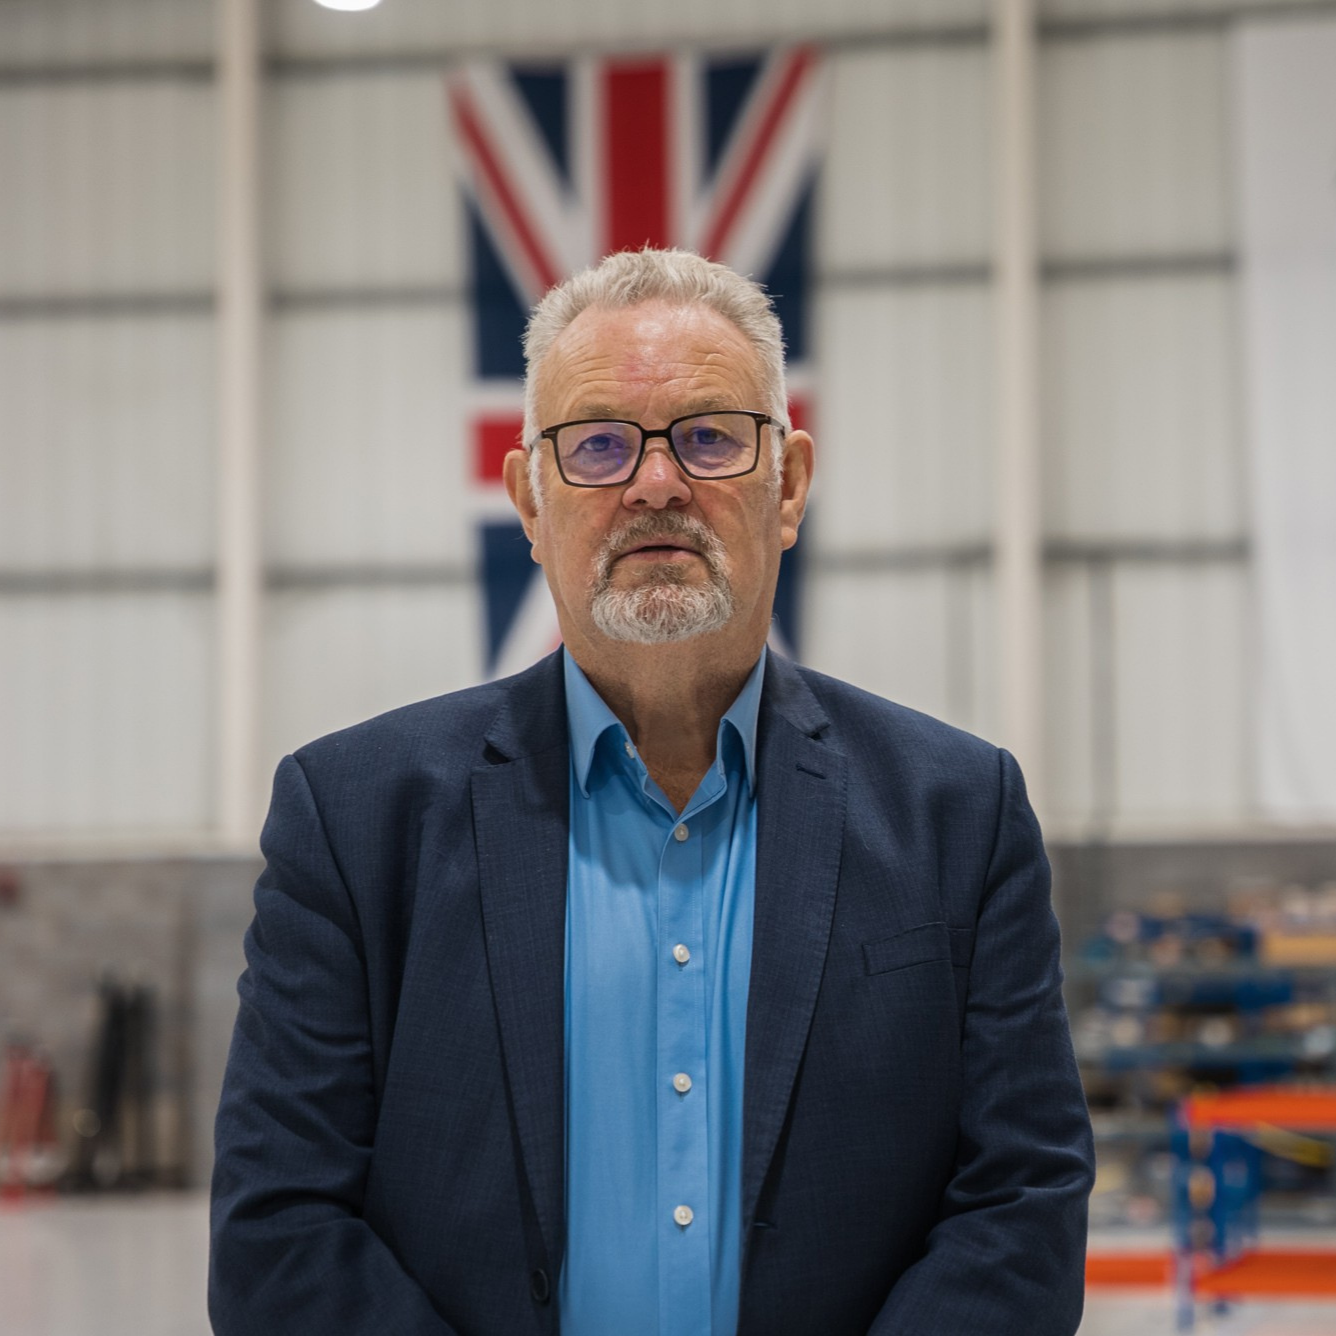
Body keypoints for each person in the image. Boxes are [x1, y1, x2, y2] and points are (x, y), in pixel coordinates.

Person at [210, 248, 1094, 1336]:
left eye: (713, 436)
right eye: (597, 445)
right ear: (531, 499)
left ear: (791, 486)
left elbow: (1022, 1206)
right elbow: (278, 1232)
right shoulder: (352, 822)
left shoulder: (961, 817)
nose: (657, 482)